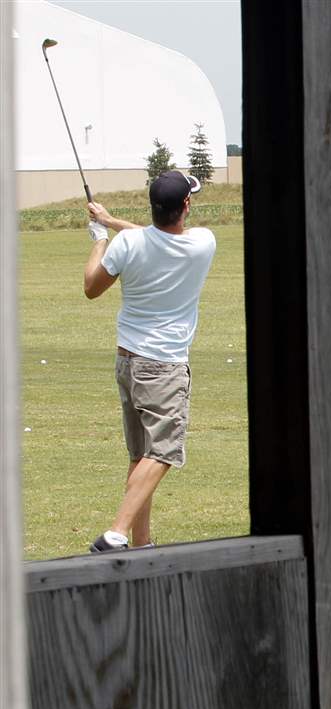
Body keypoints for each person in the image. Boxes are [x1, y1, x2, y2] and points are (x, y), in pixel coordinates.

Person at [83, 170, 217, 553]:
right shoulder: (203, 244)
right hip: (164, 366)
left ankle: (141, 546)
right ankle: (117, 534)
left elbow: (92, 286)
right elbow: (156, 236)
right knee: (162, 454)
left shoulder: (127, 243)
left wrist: (100, 237)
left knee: (140, 456)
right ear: (186, 205)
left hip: (127, 361)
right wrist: (112, 227)